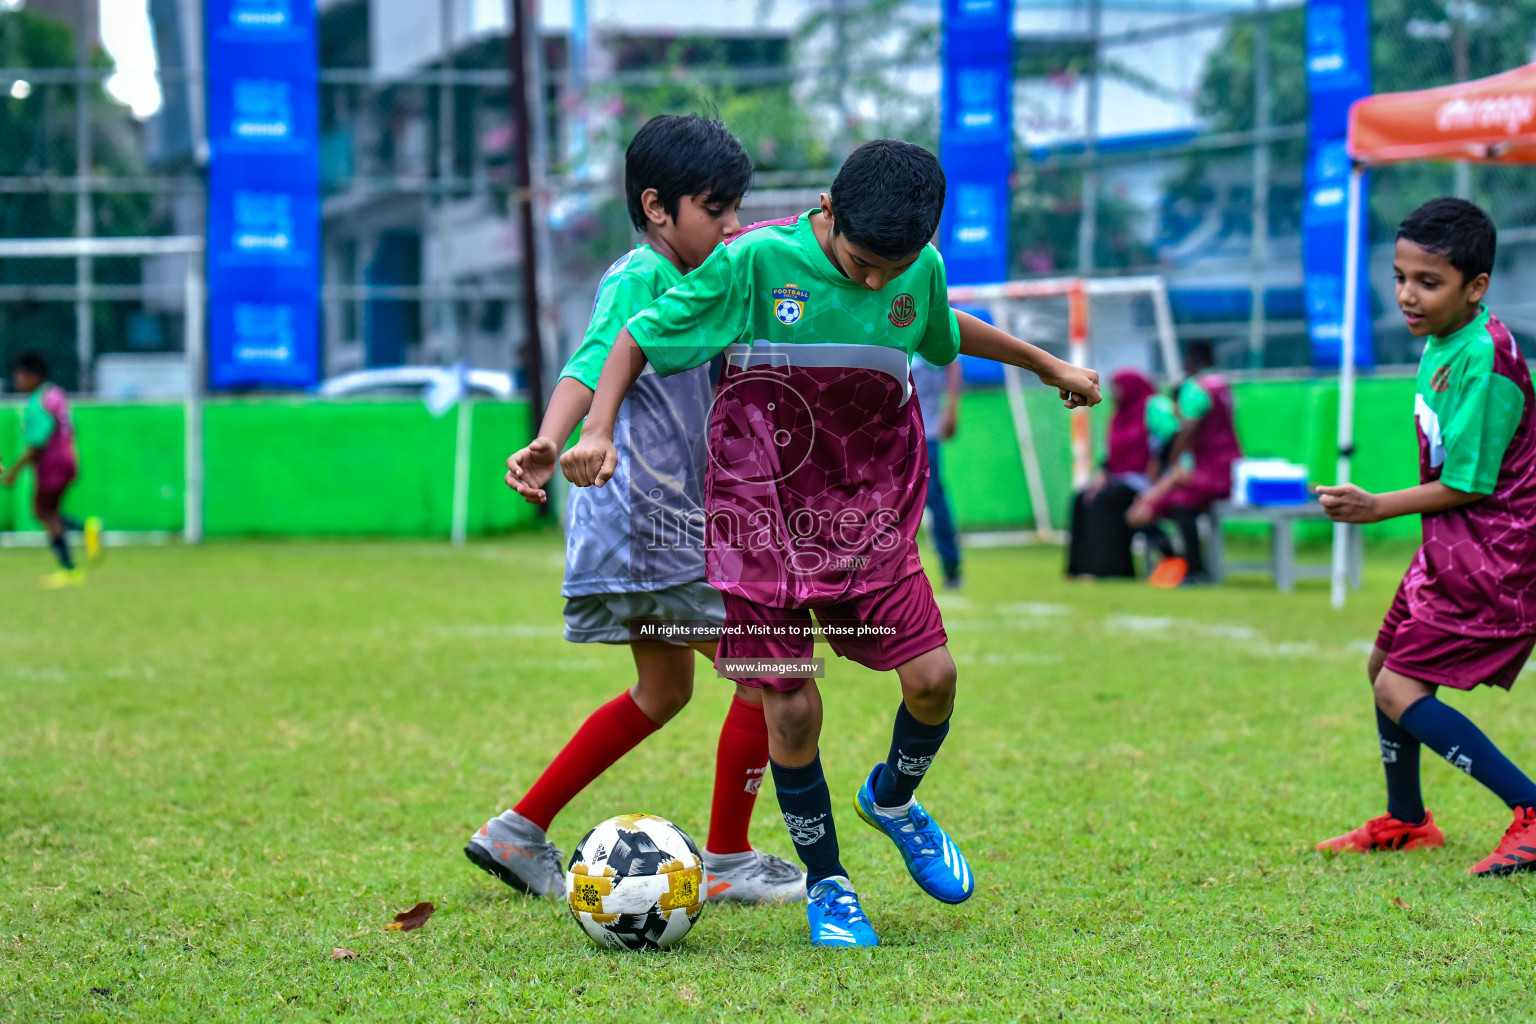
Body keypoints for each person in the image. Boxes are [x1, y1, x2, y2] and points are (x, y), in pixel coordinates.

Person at [561, 139, 1101, 947]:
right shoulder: (754, 262)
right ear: (827, 209)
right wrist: (596, 429)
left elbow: (941, 326)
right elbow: (639, 334)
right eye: (861, 261)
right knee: (790, 706)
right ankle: (830, 886)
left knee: (933, 679)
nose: (879, 281)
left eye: (896, 266)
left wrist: (1044, 362)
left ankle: (892, 799)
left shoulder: (916, 268)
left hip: (870, 518)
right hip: (760, 525)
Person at [463, 114, 803, 904]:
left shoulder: (706, 276)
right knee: (770, 670)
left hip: (650, 528)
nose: (731, 224)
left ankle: (518, 831)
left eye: (736, 207)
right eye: (714, 208)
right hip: (655, 524)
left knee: (665, 692)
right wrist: (552, 439)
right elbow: (588, 366)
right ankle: (725, 861)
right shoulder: (639, 278)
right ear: (657, 208)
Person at [1316, 197, 1536, 876]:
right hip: (1450, 545)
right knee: (1381, 668)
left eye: (1428, 282)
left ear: (1476, 287)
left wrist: (1375, 506)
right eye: (1400, 277)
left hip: (1494, 553)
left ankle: (1530, 808)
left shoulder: (1485, 359)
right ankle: (1408, 819)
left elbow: (1470, 482)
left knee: (1399, 690)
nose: (1408, 295)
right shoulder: (1444, 340)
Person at [1128, 340, 1241, 585]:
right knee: (1167, 499)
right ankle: (1186, 563)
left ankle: (1192, 568)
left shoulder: (1195, 388)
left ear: (1190, 362)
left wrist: (1174, 460)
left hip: (1211, 471)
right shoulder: (1223, 385)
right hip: (1230, 466)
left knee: (1178, 503)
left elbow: (1188, 429)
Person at [1, 351, 100, 588]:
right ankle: (83, 531)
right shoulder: (56, 394)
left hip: (51, 463)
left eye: (20, 375)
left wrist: (14, 471)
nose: (17, 380)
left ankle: (69, 566)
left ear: (33, 376)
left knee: (44, 511)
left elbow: (36, 443)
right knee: (47, 511)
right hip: (67, 458)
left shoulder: (38, 402)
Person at [1065, 368, 1168, 578]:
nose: (1114, 393)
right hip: (1120, 478)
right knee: (1081, 498)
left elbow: (1170, 441)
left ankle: (1114, 568)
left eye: (1118, 388)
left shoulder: (1154, 408)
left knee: (1107, 500)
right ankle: (1081, 567)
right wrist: (1099, 479)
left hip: (1145, 481)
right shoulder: (1118, 416)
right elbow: (1111, 458)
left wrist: (1157, 467)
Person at [910, 353, 962, 588]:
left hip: (927, 433)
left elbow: (952, 362)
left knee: (933, 496)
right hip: (889, 436)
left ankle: (951, 566)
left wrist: (951, 409)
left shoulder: (923, 331)